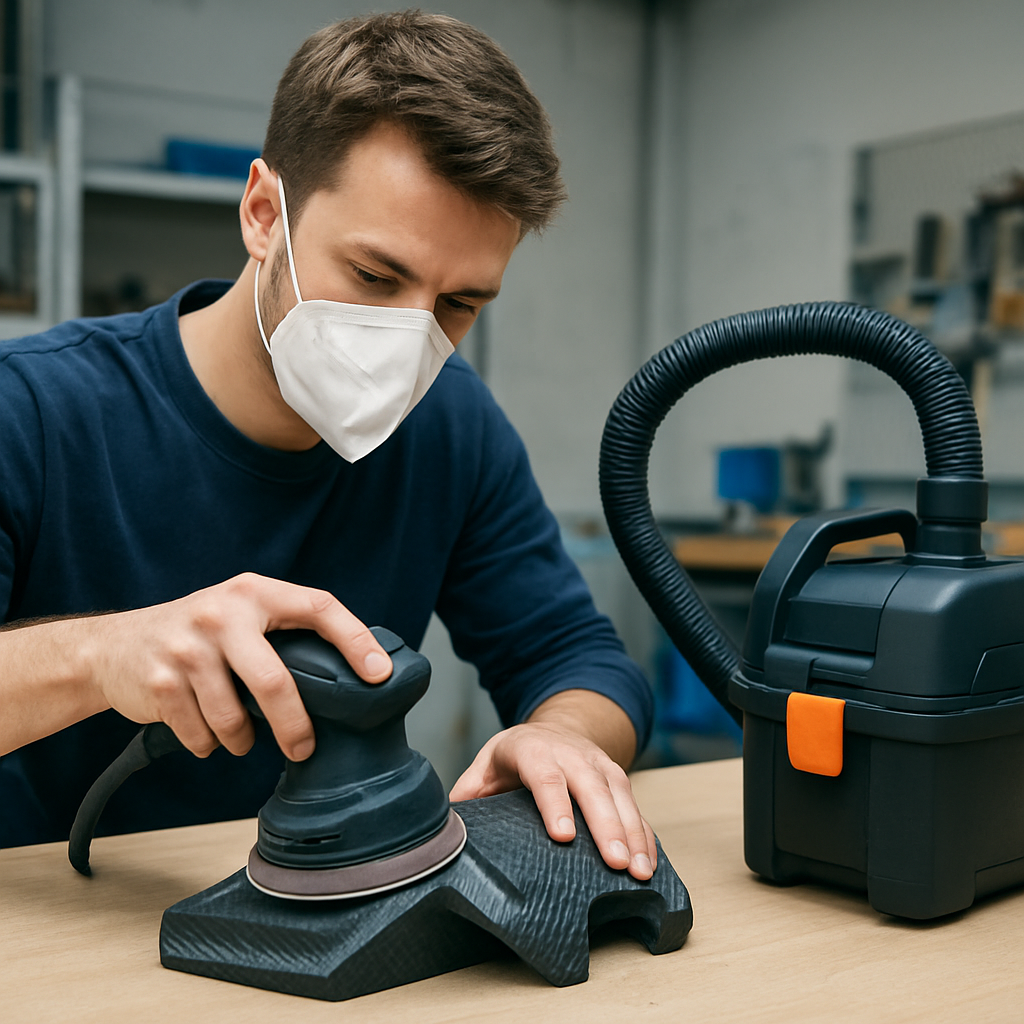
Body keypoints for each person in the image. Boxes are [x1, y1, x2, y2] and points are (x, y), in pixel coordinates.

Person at [0, 11, 657, 880]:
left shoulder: (452, 426)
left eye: (460, 304)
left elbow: (577, 657)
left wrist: (559, 736)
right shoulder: (34, 409)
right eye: (375, 277)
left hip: (324, 908)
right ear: (265, 212)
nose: (409, 336)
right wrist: (101, 655)